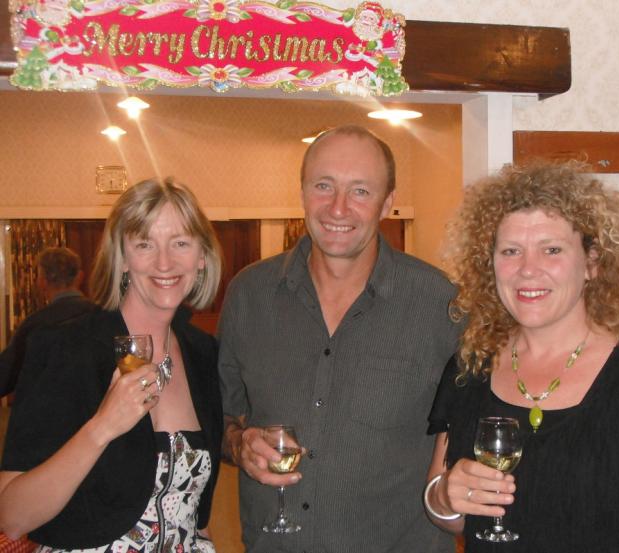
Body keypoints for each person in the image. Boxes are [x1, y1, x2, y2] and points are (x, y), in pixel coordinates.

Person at [219, 125, 460, 553]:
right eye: (324, 186)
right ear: (302, 191)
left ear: (387, 203)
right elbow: (221, 416)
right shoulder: (248, 295)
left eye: (361, 191)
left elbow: (467, 433)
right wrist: (241, 445)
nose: (338, 207)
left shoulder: (442, 306)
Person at [424, 162, 619, 552]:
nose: (527, 269)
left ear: (592, 262)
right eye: (511, 251)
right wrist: (442, 497)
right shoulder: (469, 367)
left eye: (551, 249)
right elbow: (450, 517)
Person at [0, 179, 224, 551]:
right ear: (122, 258)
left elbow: (193, 509)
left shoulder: (202, 353)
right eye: (144, 244)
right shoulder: (66, 348)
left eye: (181, 243)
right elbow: (13, 515)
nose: (164, 262)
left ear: (202, 256)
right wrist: (102, 427)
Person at [0, 247, 95, 397]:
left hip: (46, 413)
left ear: (42, 282)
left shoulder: (34, 325)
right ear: (80, 277)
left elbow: (5, 375)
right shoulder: (102, 317)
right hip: (97, 410)